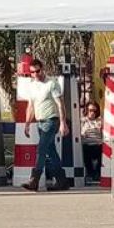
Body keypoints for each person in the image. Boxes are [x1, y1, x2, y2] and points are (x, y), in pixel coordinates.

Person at [22, 59, 70, 191]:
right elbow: (31, 106)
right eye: (32, 72)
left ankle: (34, 180)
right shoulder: (32, 86)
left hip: (51, 120)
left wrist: (63, 123)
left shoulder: (51, 84)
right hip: (40, 122)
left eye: (37, 71)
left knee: (41, 149)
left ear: (42, 69)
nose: (35, 74)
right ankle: (62, 181)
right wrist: (27, 124)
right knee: (51, 151)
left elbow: (60, 104)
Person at [81, 101, 102, 182]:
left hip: (98, 144)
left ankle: (98, 173)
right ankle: (90, 173)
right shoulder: (82, 121)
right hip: (87, 144)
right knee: (85, 151)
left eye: (94, 111)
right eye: (90, 110)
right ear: (86, 110)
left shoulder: (100, 121)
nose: (92, 113)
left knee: (103, 151)